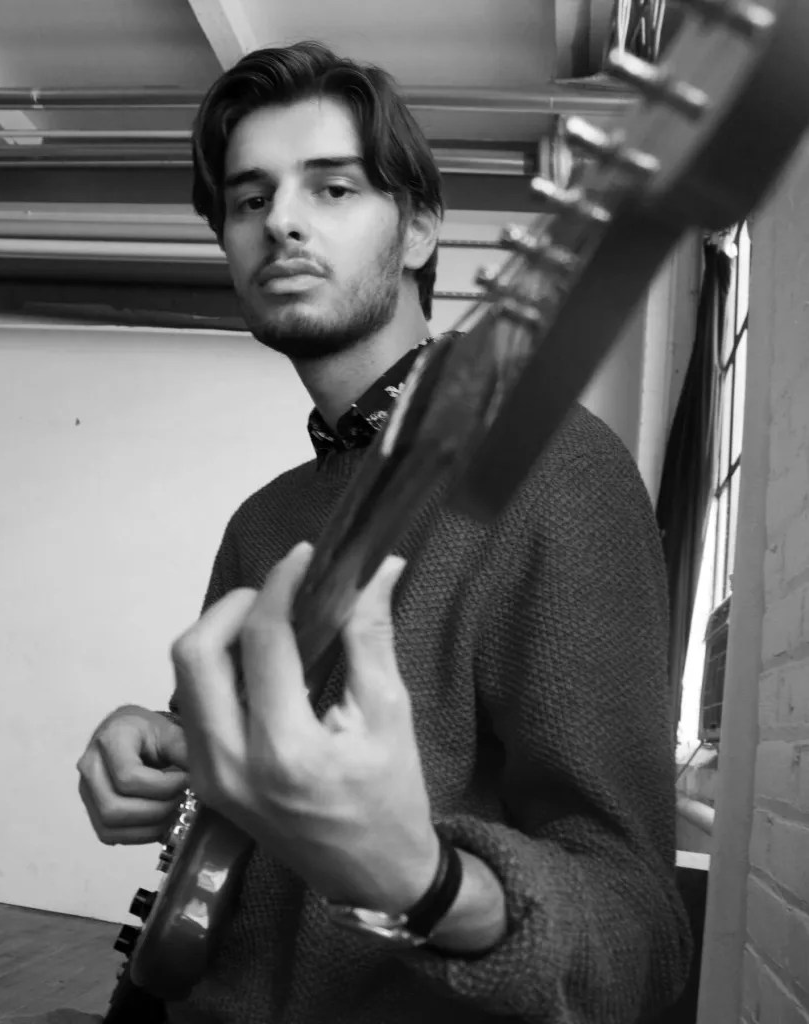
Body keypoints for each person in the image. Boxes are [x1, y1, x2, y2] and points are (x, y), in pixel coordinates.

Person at [72, 39, 691, 1024]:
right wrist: (163, 746)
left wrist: (428, 883)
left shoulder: (553, 467)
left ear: (419, 229)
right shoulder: (263, 519)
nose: (281, 220)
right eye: (249, 198)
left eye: (332, 188)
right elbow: (237, 754)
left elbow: (642, 933)